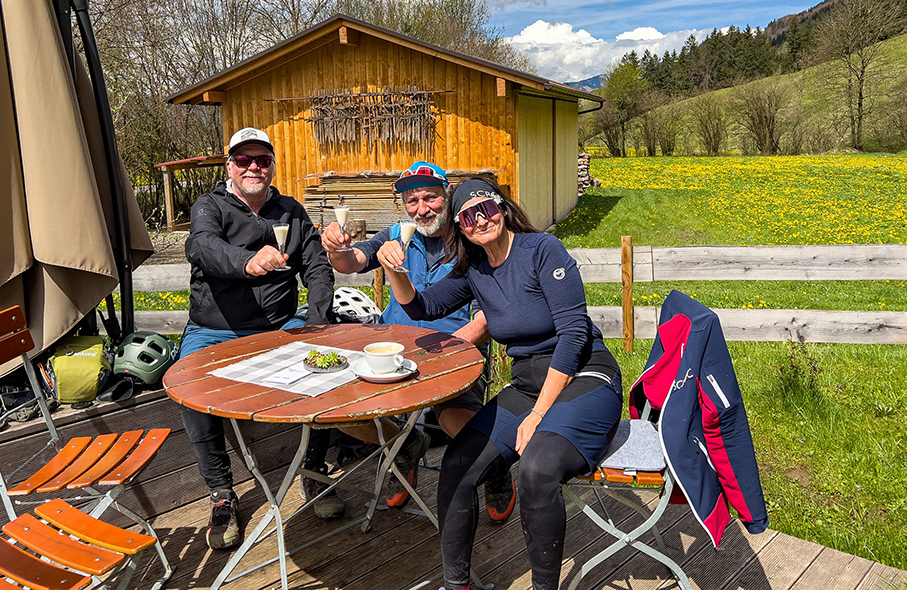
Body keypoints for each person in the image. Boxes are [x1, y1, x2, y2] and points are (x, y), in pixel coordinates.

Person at [379, 177, 623, 590]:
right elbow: (422, 306)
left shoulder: (542, 250)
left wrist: (539, 416)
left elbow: (574, 335)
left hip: (584, 376)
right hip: (528, 383)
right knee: (457, 464)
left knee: (537, 467)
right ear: (458, 226)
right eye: (467, 216)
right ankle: (458, 585)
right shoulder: (474, 269)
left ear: (502, 208)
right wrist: (394, 270)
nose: (480, 219)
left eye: (486, 207)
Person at [320, 162, 516, 521]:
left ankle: (494, 466)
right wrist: (335, 247)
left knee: (455, 416)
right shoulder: (396, 234)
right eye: (412, 200)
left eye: (430, 197)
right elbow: (352, 262)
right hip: (394, 351)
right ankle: (403, 443)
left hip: (457, 351)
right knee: (336, 407)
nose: (421, 208)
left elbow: (489, 314)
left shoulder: (471, 236)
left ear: (447, 197)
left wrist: (453, 349)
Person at [179, 127, 341, 551]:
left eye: (262, 160)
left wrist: (317, 325)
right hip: (215, 328)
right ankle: (221, 493)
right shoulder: (209, 205)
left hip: (280, 326)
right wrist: (248, 261)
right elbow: (202, 248)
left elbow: (318, 268)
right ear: (229, 165)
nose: (253, 167)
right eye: (243, 160)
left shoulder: (290, 210)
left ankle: (313, 471)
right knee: (190, 392)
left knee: (324, 380)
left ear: (271, 165)